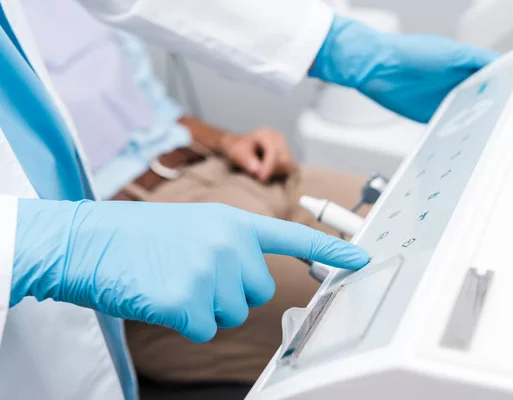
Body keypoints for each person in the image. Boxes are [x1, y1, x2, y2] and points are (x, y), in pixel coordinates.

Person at [0, 0, 497, 399]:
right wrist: (35, 243)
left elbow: (140, 99)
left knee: (459, 217)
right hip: (143, 227)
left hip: (219, 166)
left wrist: (335, 48)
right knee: (412, 309)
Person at [23, 0, 373, 383]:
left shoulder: (91, 9)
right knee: (365, 305)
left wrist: (228, 140)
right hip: (142, 225)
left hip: (219, 166)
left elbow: (159, 113)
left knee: (413, 220)